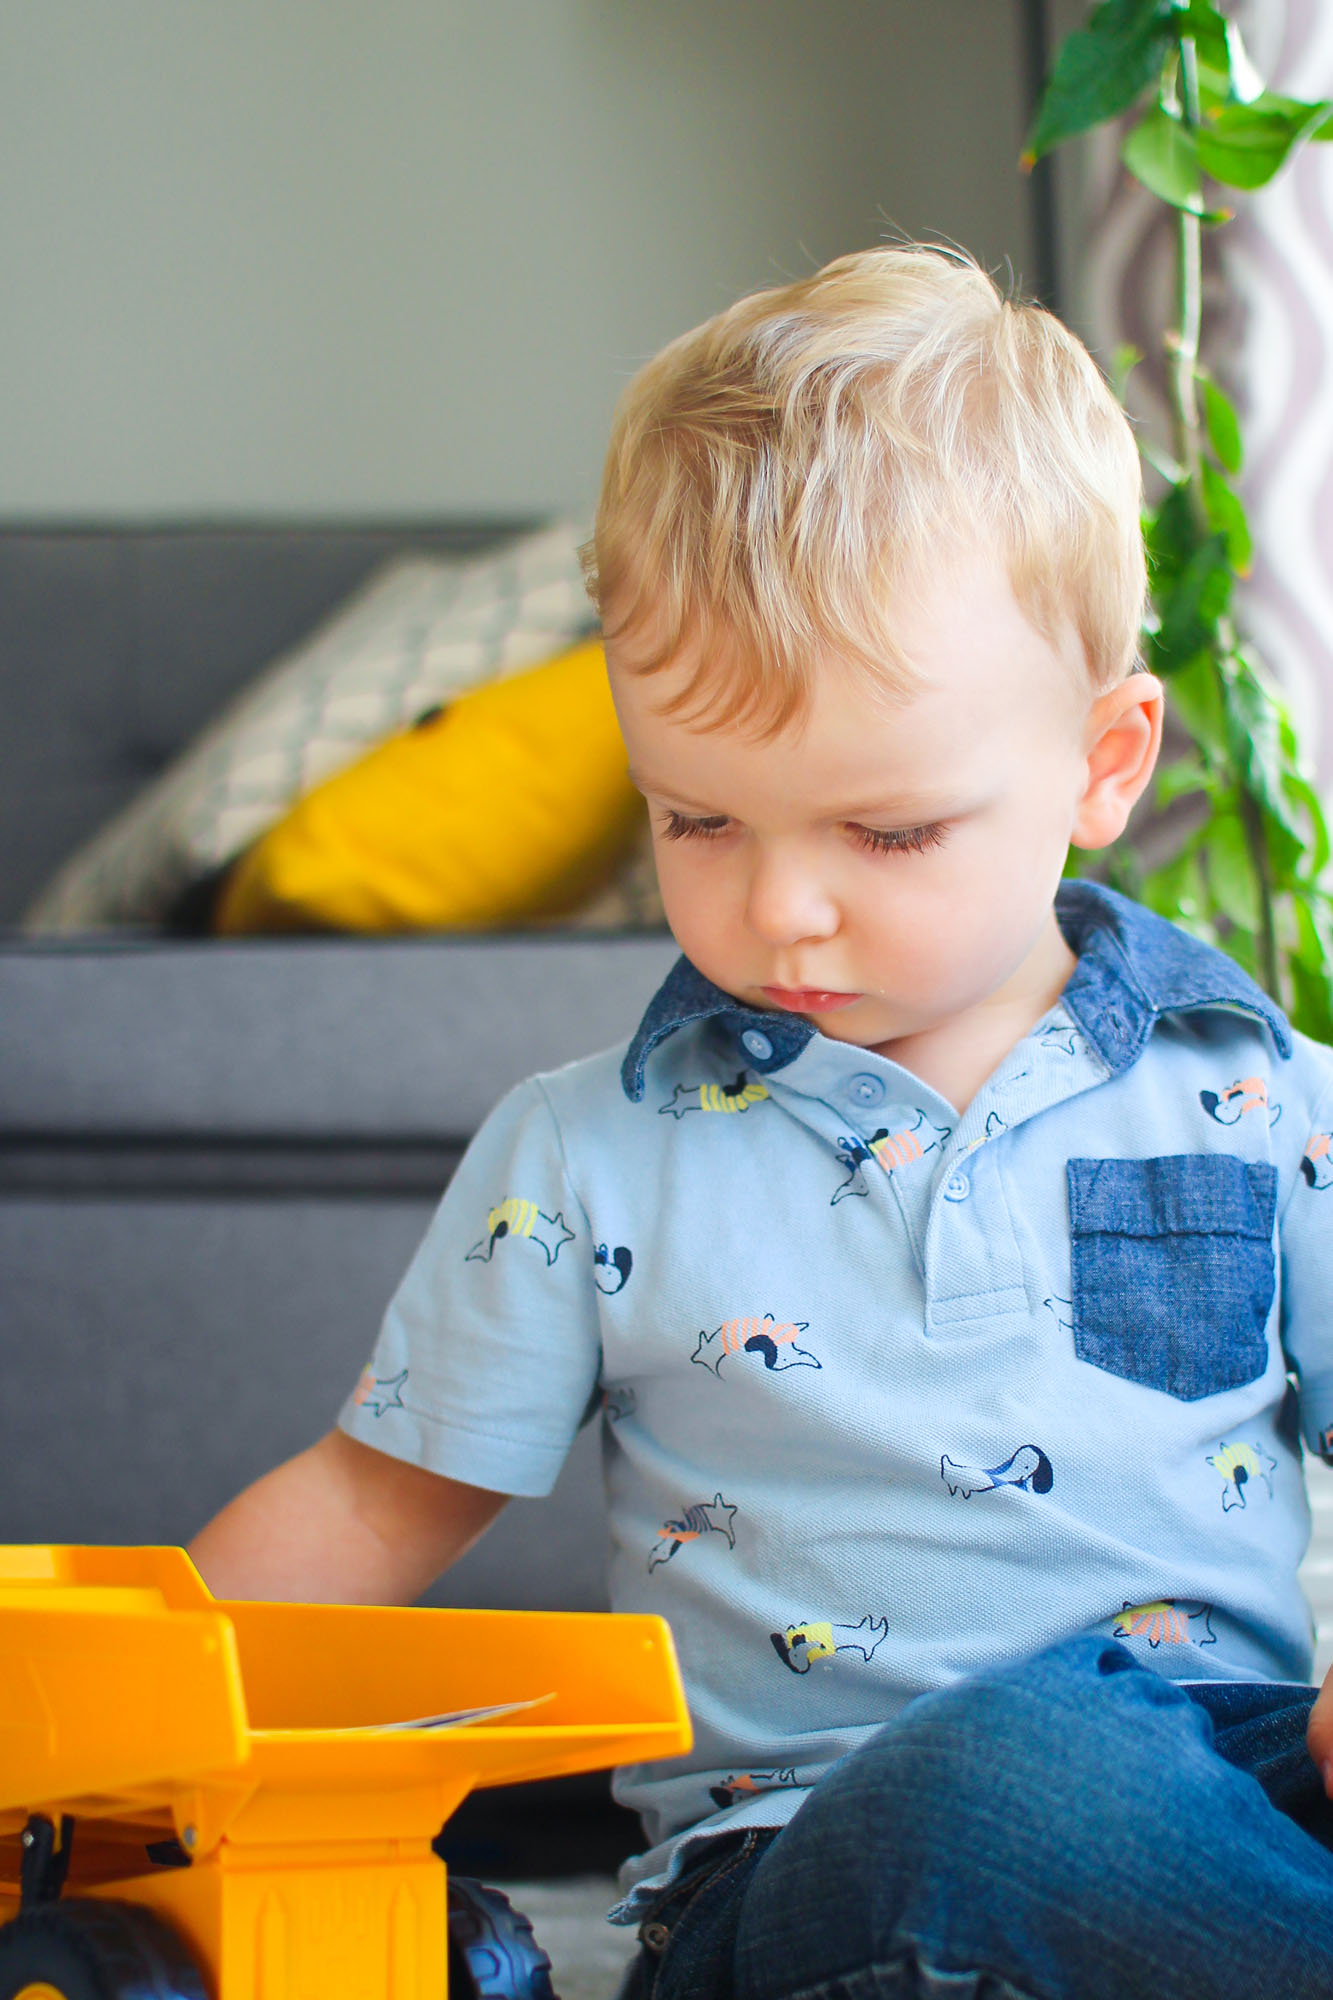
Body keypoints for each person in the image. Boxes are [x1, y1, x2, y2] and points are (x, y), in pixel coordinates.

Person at [189, 246, 1333, 1999]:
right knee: (1019, 1776)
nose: (782, 911)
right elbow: (365, 1505)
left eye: (883, 835)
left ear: (1104, 763)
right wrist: (99, 1709)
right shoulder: (586, 1154)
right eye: (700, 822)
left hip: (1227, 1807)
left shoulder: (1259, 1103)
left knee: (1130, 1788)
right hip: (803, 1871)